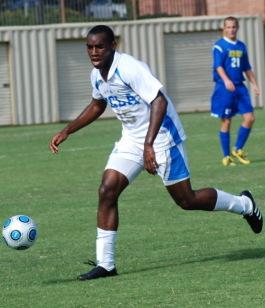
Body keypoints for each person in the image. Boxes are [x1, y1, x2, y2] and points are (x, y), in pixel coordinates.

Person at [49, 25, 263, 281]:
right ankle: (105, 264)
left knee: (187, 200)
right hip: (131, 139)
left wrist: (149, 145)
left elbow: (158, 100)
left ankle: (244, 204)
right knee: (107, 190)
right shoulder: (97, 75)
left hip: (162, 137)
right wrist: (68, 130)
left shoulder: (129, 68)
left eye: (100, 46)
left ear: (113, 45)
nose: (94, 52)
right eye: (89, 47)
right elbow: (98, 104)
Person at [211, 16, 260, 166]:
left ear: (237, 28)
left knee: (250, 118)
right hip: (225, 88)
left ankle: (237, 149)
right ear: (224, 29)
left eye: (233, 27)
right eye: (228, 27)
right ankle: (226, 156)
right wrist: (226, 80)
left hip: (240, 87)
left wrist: (255, 84)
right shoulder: (219, 46)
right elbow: (218, 66)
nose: (231, 29)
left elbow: (246, 67)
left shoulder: (241, 46)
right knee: (227, 121)